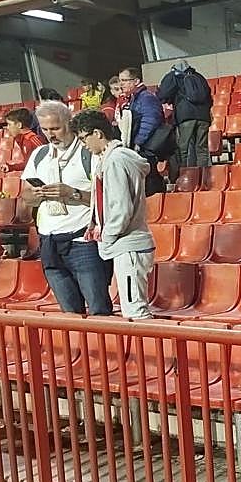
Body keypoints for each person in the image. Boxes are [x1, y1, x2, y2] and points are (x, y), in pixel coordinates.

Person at [20, 101, 109, 315]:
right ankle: (81, 349)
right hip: (49, 242)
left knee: (99, 309)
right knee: (69, 314)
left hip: (83, 242)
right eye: (45, 129)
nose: (51, 134)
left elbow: (108, 198)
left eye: (56, 128)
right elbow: (26, 197)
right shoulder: (39, 155)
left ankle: (106, 348)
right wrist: (35, 194)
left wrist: (72, 193)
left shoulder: (89, 153)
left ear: (69, 123)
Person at [71, 109, 155, 319]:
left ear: (98, 134)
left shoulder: (116, 160)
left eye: (84, 138)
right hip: (125, 243)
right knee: (132, 308)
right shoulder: (109, 159)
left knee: (134, 310)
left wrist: (107, 236)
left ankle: (143, 349)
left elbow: (120, 208)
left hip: (128, 243)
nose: (84, 145)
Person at [156, 59, 212, 170]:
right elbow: (208, 96)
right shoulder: (199, 77)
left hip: (185, 116)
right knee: (202, 149)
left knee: (183, 148)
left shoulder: (174, 76)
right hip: (203, 117)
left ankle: (186, 177)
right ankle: (204, 177)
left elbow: (163, 94)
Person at [115, 68, 165, 154]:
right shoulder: (134, 98)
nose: (121, 84)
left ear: (136, 81)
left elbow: (150, 121)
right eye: (120, 80)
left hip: (148, 147)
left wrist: (138, 142)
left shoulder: (146, 97)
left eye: (124, 80)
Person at [0, 108, 45, 173]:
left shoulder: (32, 140)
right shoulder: (21, 139)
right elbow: (28, 164)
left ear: (19, 125)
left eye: (9, 124)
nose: (7, 127)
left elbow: (48, 161)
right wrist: (10, 167)